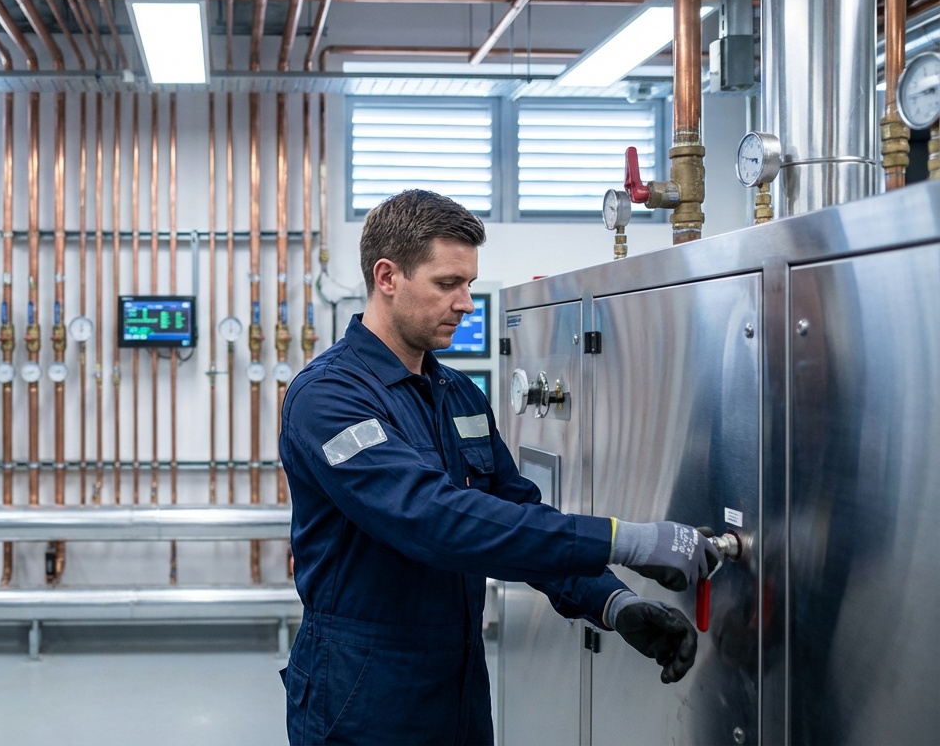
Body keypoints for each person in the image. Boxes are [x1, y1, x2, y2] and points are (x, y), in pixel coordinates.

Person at [277, 189, 721, 745]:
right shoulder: (328, 398)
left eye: (467, 283)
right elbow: (433, 519)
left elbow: (513, 513)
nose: (466, 302)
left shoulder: (457, 393)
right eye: (447, 284)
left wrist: (611, 601)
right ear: (387, 277)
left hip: (458, 684)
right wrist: (627, 541)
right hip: (362, 696)